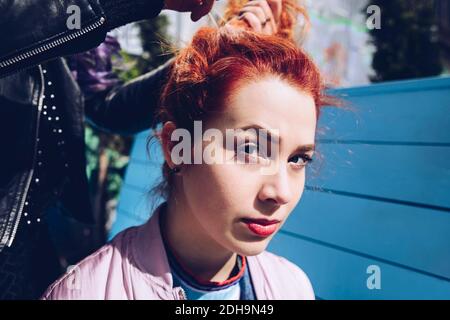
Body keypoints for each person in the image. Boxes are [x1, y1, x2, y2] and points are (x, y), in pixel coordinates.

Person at [42, 0, 333, 300]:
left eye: (298, 159)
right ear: (176, 146)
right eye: (250, 149)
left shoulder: (294, 287)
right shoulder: (83, 293)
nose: (281, 192)